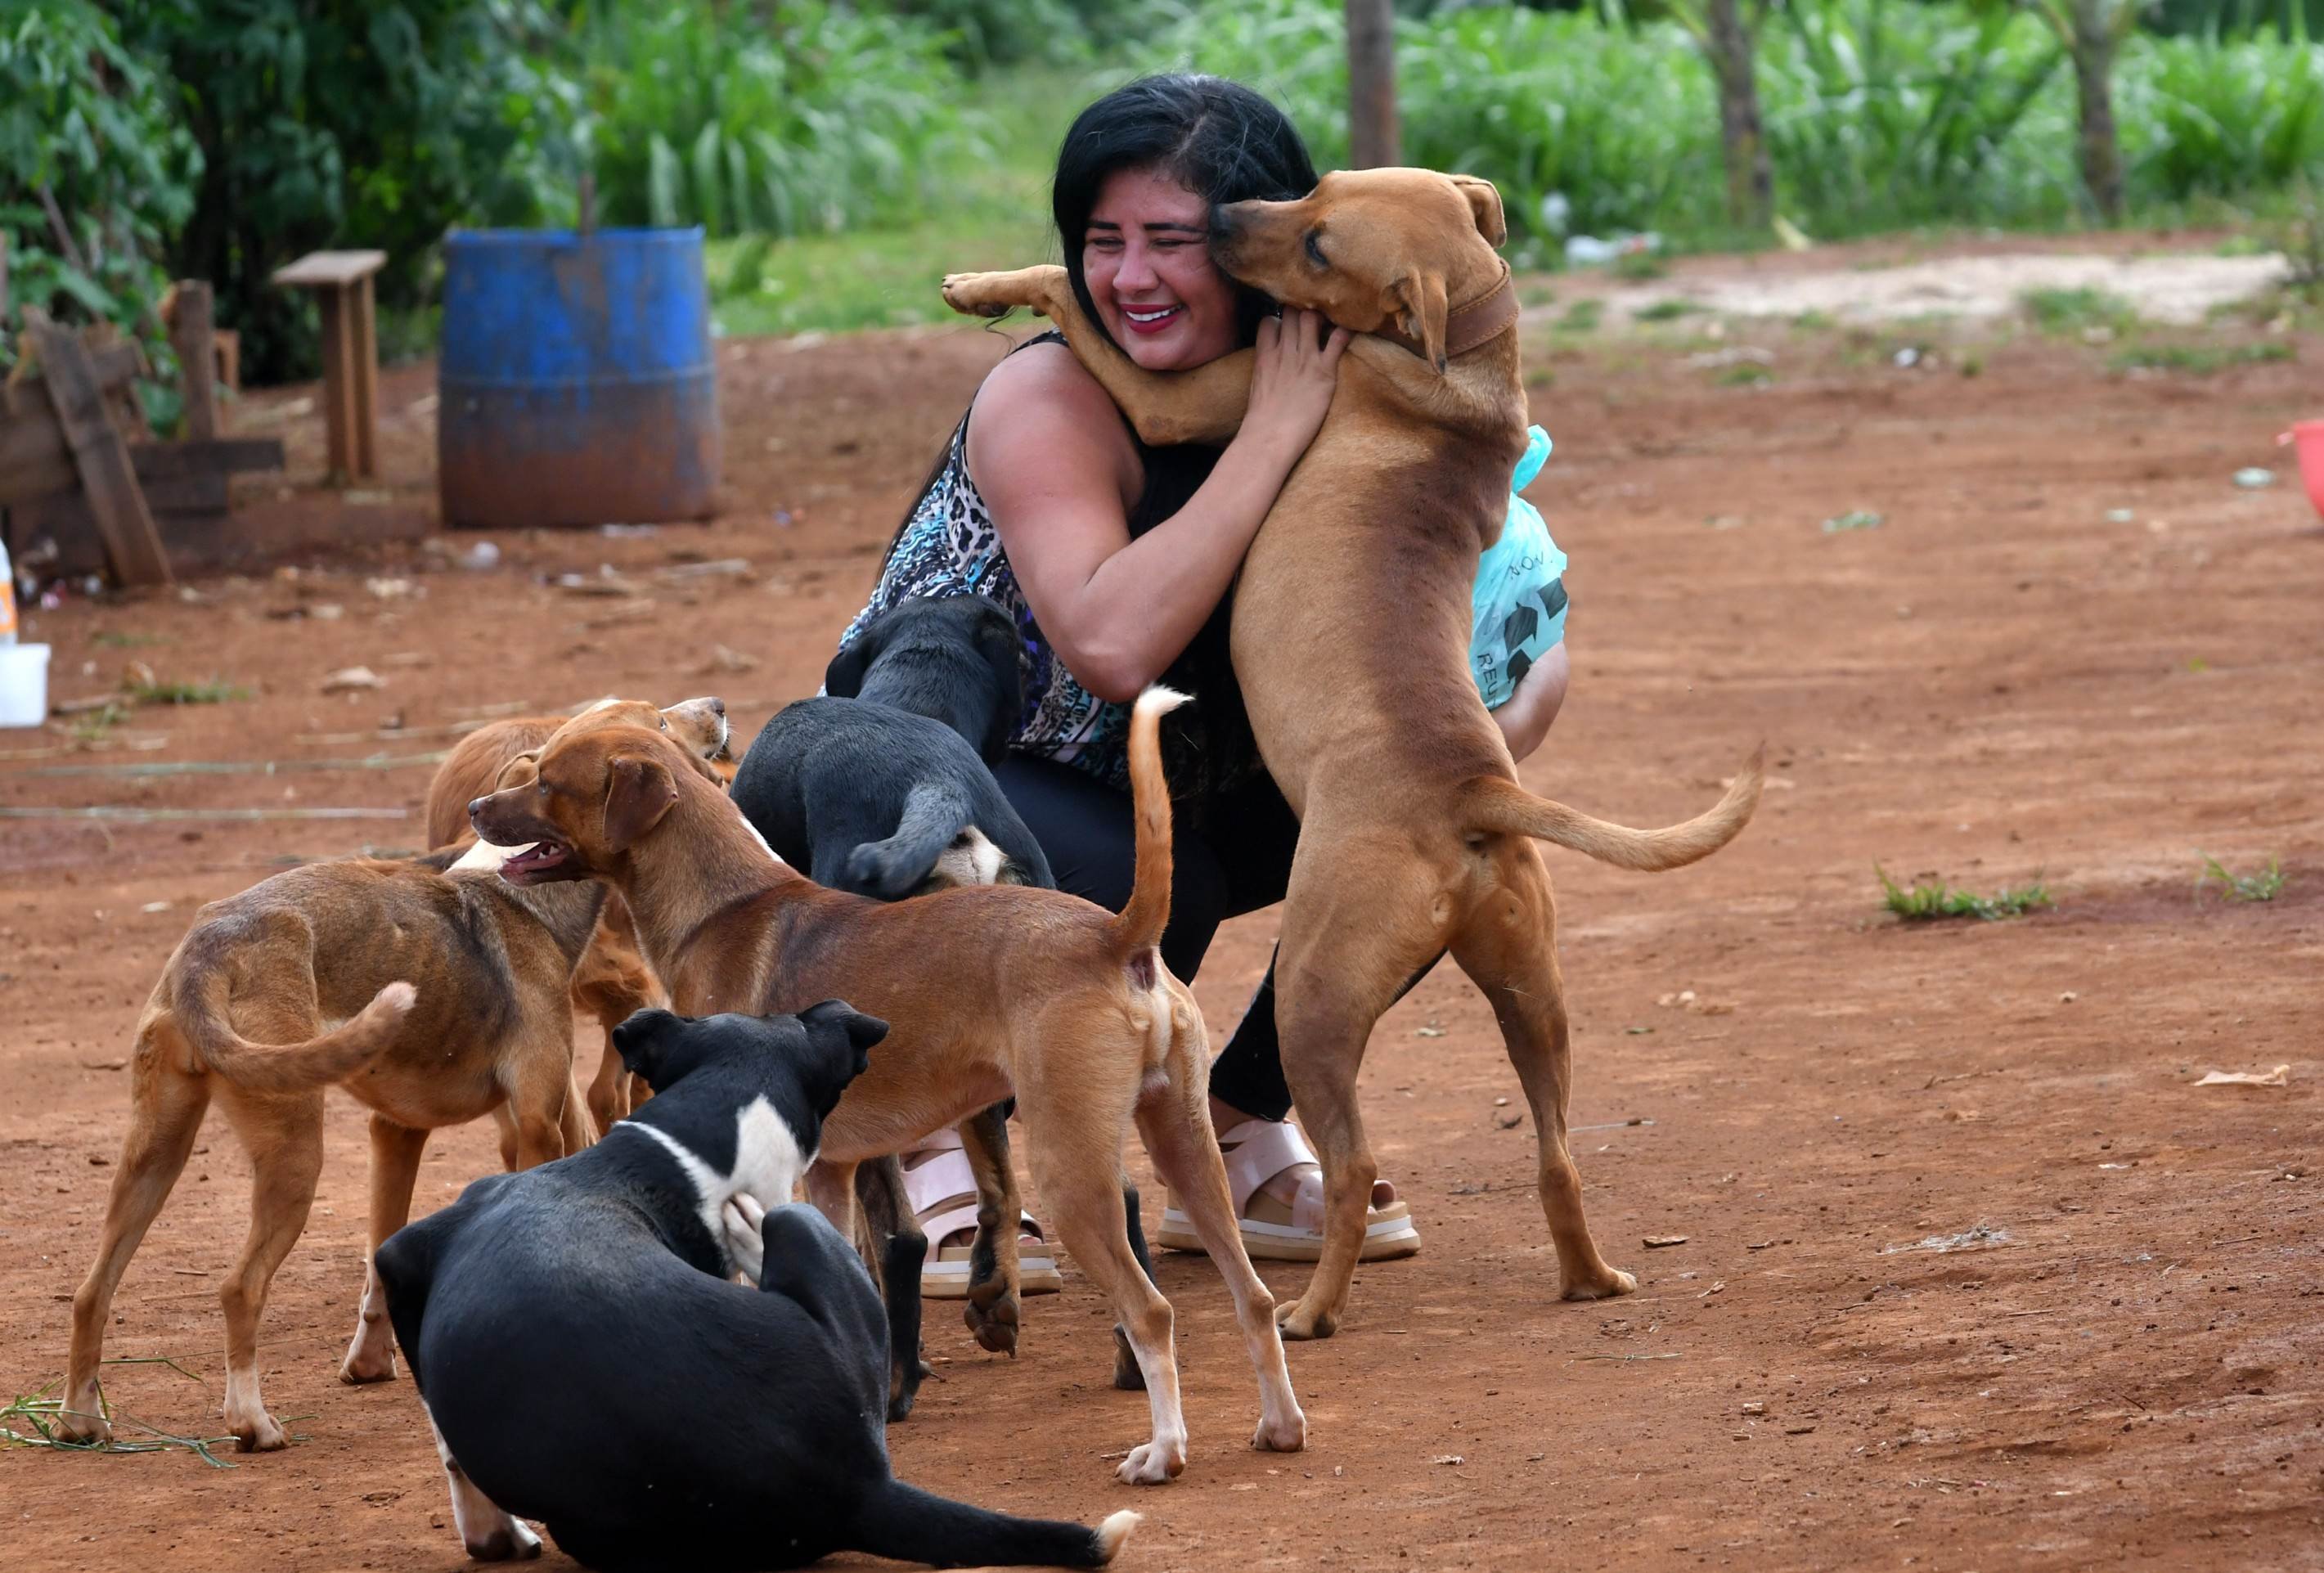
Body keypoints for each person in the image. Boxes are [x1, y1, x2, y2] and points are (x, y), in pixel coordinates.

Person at [837, 74, 1572, 1286]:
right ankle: (924, 1139)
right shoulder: (1047, 394)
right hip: (963, 784)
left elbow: (1517, 640)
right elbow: (1112, 645)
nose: (1130, 279)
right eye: (1099, 244)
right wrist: (1278, 432)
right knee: (1124, 880)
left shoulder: (1363, 365)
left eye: (1172, 242)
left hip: (1177, 765)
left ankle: (1244, 1111)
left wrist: (1495, 721)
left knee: (1442, 821)